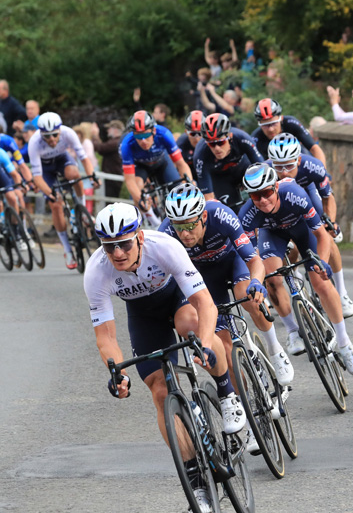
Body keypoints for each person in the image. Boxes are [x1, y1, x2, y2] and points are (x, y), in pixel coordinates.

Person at [85, 203, 246, 513]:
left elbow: (205, 303)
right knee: (160, 392)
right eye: (109, 246)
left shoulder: (165, 246)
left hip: (177, 299)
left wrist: (206, 343)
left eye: (124, 244)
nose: (117, 253)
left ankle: (227, 393)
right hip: (143, 316)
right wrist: (118, 374)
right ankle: (196, 481)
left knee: (192, 325)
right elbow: (105, 336)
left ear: (139, 237)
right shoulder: (96, 271)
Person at [160, 183, 294, 388]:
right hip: (204, 276)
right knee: (224, 348)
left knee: (248, 297)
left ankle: (275, 349)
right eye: (179, 227)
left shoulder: (221, 215)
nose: (185, 234)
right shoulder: (166, 233)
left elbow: (254, 261)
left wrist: (256, 282)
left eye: (189, 226)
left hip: (233, 261)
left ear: (204, 217)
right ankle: (247, 401)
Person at [238, 164, 353, 373]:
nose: (263, 200)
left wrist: (322, 262)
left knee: (320, 282)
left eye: (267, 193)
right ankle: (293, 331)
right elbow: (253, 257)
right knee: (272, 279)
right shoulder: (247, 214)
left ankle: (344, 342)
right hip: (272, 235)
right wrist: (258, 280)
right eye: (256, 196)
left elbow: (322, 235)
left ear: (276, 187)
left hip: (302, 230)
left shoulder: (294, 194)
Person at [268, 134, 353, 317]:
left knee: (327, 237)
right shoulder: (267, 172)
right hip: (284, 205)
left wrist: (331, 221)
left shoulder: (312, 166)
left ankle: (342, 293)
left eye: (289, 165)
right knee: (289, 242)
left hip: (308, 194)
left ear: (298, 160)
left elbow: (327, 198)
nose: (284, 172)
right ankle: (296, 276)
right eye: (279, 166)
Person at [25, 113, 98, 269]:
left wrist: (92, 177)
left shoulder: (68, 133)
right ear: (41, 134)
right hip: (45, 168)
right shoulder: (34, 143)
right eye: (47, 136)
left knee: (74, 175)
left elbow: (84, 158)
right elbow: (37, 177)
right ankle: (67, 249)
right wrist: (50, 193)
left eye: (54, 135)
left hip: (62, 159)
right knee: (56, 204)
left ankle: (82, 209)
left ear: (60, 131)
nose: (52, 139)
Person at [120, 111, 192, 226]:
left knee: (179, 188)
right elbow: (129, 180)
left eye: (146, 135)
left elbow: (181, 164)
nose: (143, 141)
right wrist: (139, 199)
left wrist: (188, 185)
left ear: (153, 131)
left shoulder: (164, 134)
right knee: (137, 189)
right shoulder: (126, 144)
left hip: (161, 163)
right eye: (138, 136)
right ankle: (148, 222)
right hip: (141, 166)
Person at [193, 113, 263, 211]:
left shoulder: (242, 138)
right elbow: (208, 197)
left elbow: (263, 168)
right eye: (211, 144)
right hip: (221, 178)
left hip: (244, 170)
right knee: (231, 209)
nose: (217, 148)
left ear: (230, 136)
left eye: (220, 142)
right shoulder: (200, 154)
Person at [251, 98, 327, 166]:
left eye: (274, 123)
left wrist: (323, 172)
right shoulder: (255, 138)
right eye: (265, 125)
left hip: (299, 162)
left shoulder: (291, 123)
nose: (271, 129)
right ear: (259, 124)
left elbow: (314, 149)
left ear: (281, 118)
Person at [92, 120, 125, 204]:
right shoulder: (118, 141)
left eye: (109, 128)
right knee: (108, 202)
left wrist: (95, 135)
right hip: (113, 178)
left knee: (109, 204)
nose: (107, 130)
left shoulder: (115, 142)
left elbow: (100, 148)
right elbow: (102, 148)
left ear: (115, 130)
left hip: (112, 179)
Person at [176, 110, 205, 176]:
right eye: (193, 134)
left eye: (200, 134)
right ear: (186, 132)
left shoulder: (210, 143)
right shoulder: (181, 143)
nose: (196, 138)